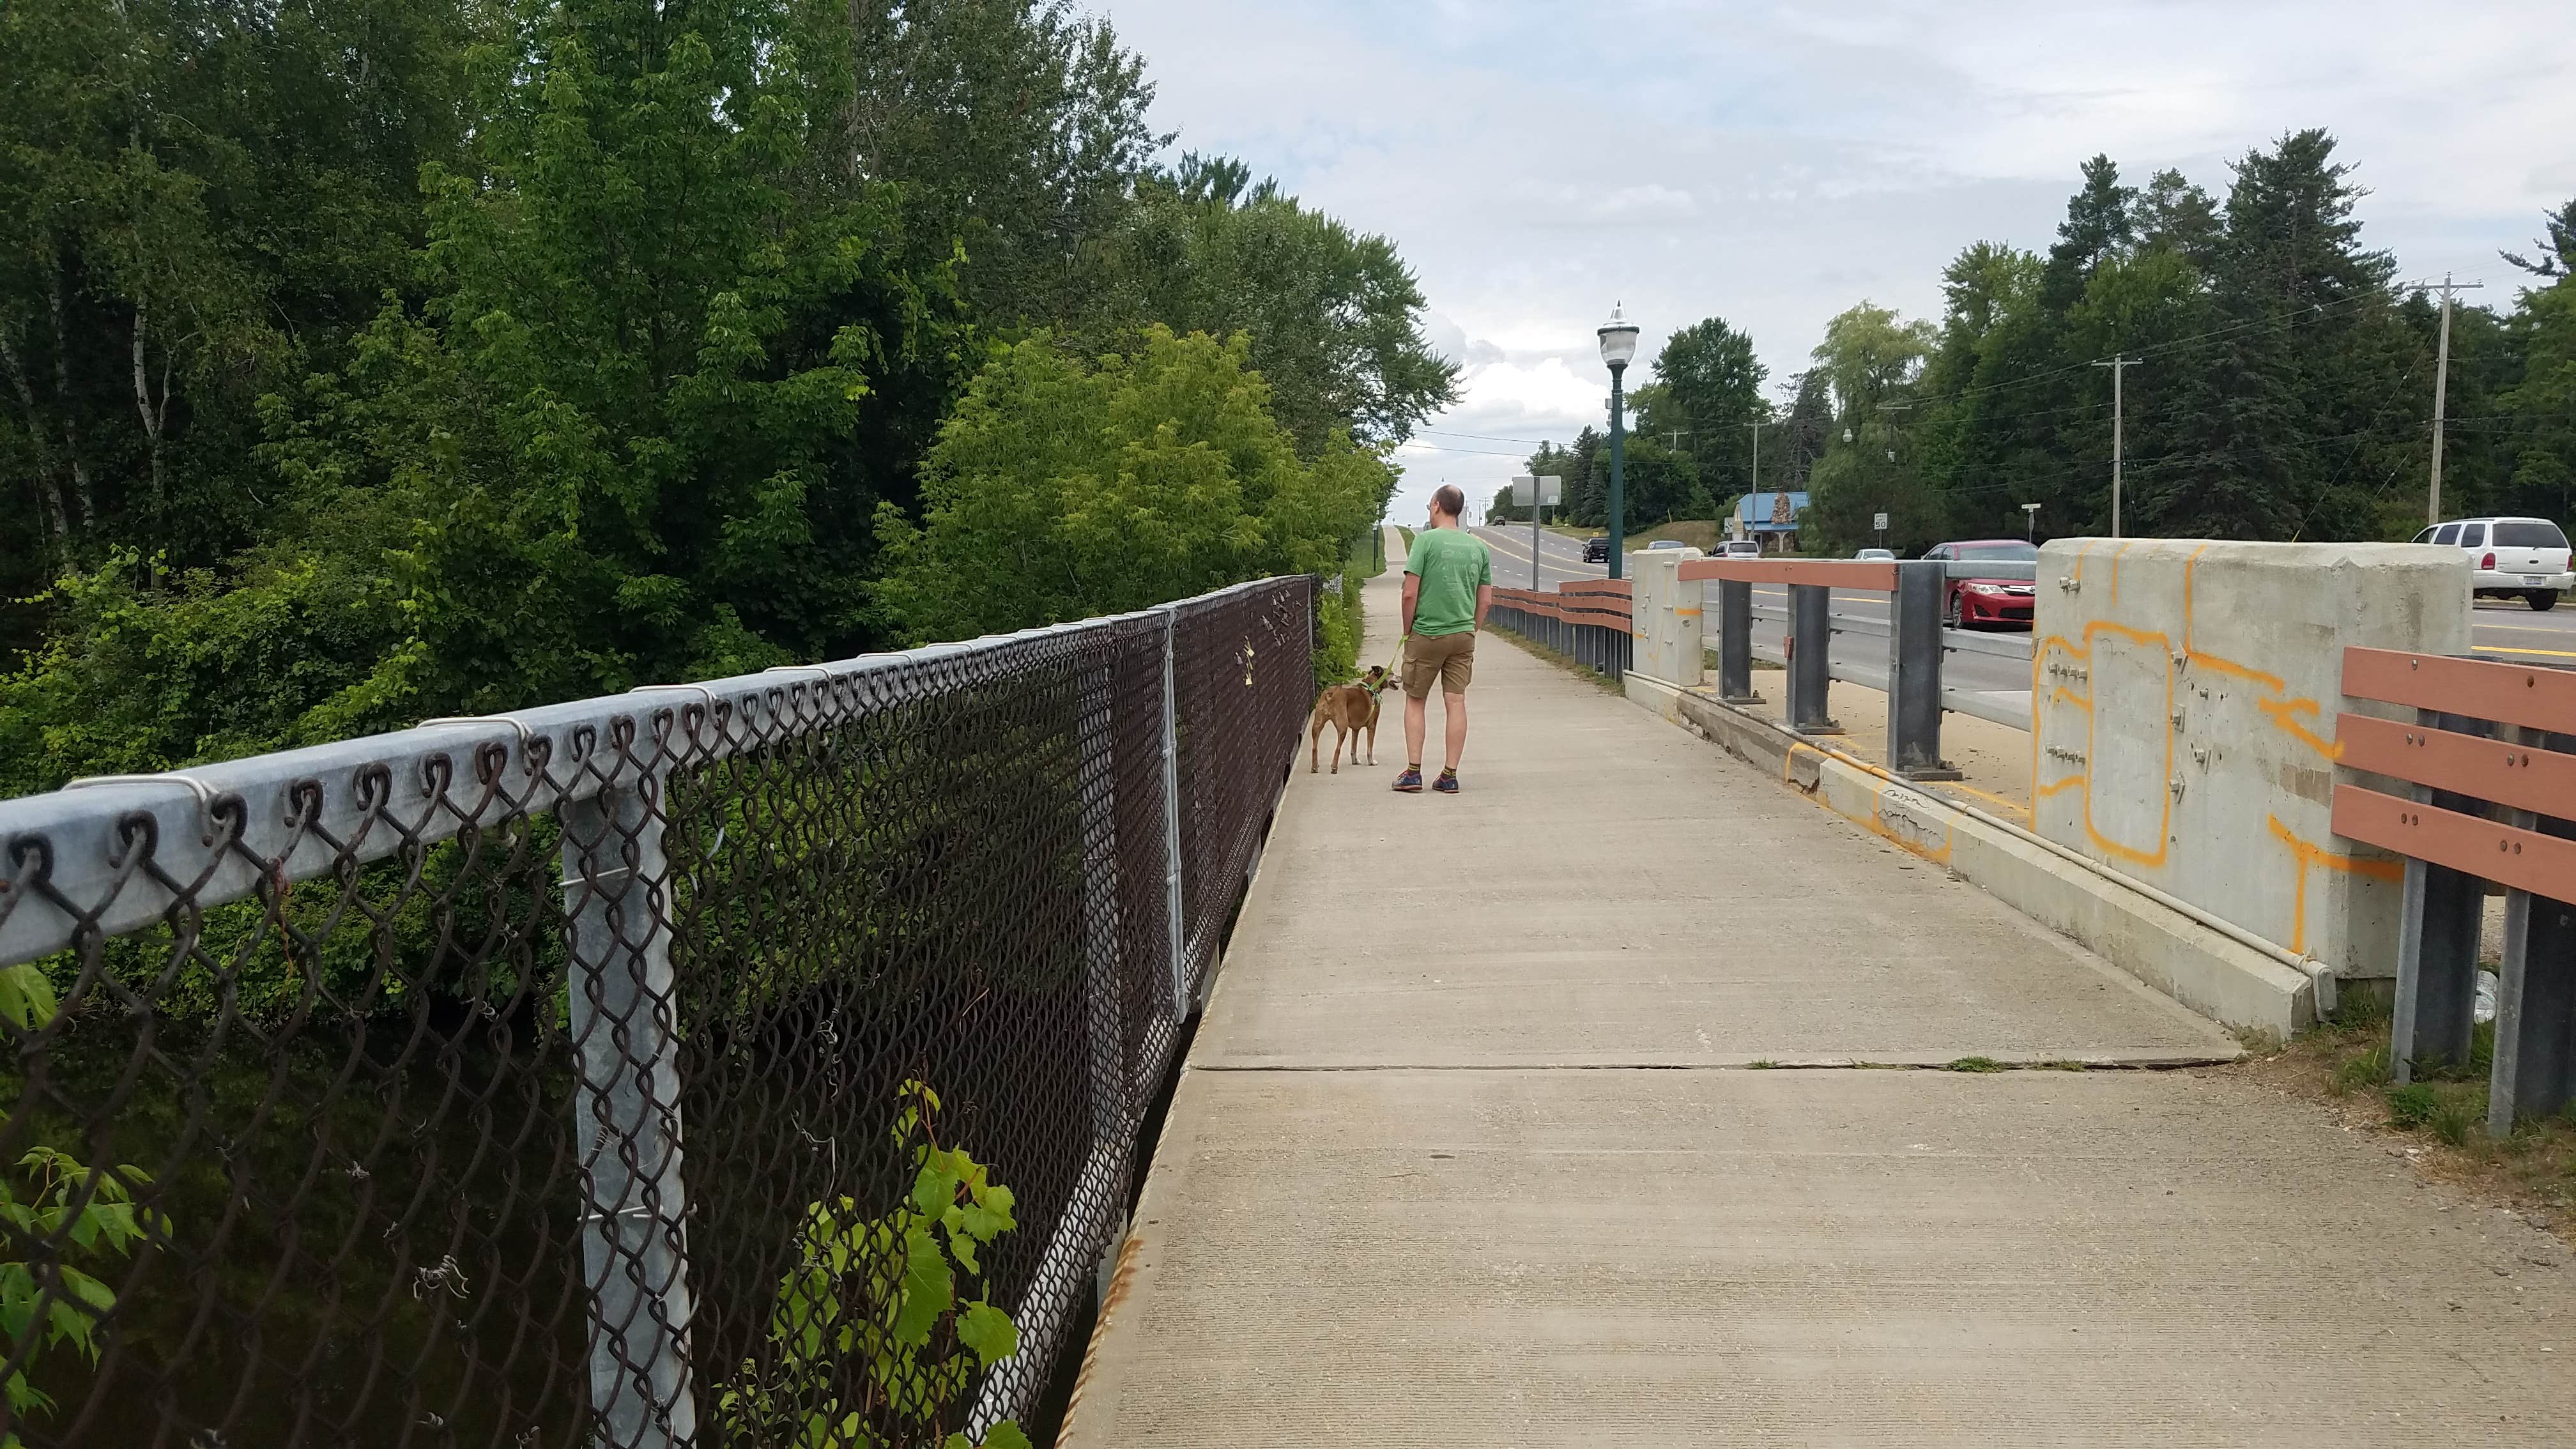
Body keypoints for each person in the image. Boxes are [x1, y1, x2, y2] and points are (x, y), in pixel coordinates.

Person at [1393, 484, 1492, 794]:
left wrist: (1407, 631)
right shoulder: (1478, 548)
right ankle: (1449, 775)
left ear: (1436, 506)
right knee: (1456, 702)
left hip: (1428, 633)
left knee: (1415, 700)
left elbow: (1410, 593)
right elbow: (1486, 600)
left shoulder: (1424, 542)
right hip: (1462, 635)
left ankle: (1413, 773)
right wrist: (1471, 629)